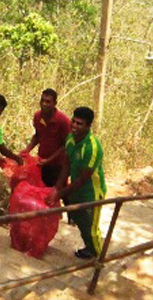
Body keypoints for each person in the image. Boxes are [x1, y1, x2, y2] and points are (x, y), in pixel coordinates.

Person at [47, 107, 106, 260]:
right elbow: (66, 164)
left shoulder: (92, 148)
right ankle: (89, 248)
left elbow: (83, 179)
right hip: (76, 190)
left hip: (91, 192)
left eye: (79, 124)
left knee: (91, 227)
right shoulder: (70, 139)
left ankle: (98, 257)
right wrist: (58, 186)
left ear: (88, 126)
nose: (74, 125)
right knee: (80, 221)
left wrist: (59, 194)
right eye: (73, 121)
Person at [20, 88, 71, 187]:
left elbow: (66, 145)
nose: (44, 104)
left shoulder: (63, 120)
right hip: (42, 162)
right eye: (42, 100)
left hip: (58, 165)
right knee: (43, 191)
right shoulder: (37, 116)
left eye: (48, 102)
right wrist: (27, 150)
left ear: (54, 103)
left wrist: (49, 160)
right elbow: (38, 135)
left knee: (60, 191)